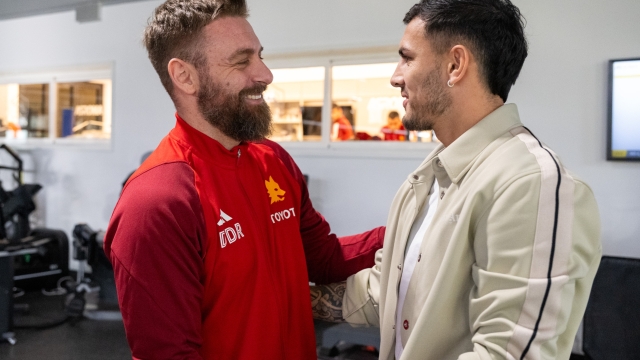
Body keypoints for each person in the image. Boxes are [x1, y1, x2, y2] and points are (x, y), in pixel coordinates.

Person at [311, 1, 602, 359]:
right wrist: (272, 294)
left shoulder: (531, 185)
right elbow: (384, 293)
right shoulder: (430, 175)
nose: (395, 76)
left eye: (407, 57)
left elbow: (506, 354)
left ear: (455, 64)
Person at [103, 1, 384, 359]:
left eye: (260, 56)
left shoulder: (274, 160)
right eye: (242, 61)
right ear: (185, 76)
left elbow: (324, 258)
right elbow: (169, 354)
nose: (265, 74)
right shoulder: (157, 201)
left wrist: (409, 231)